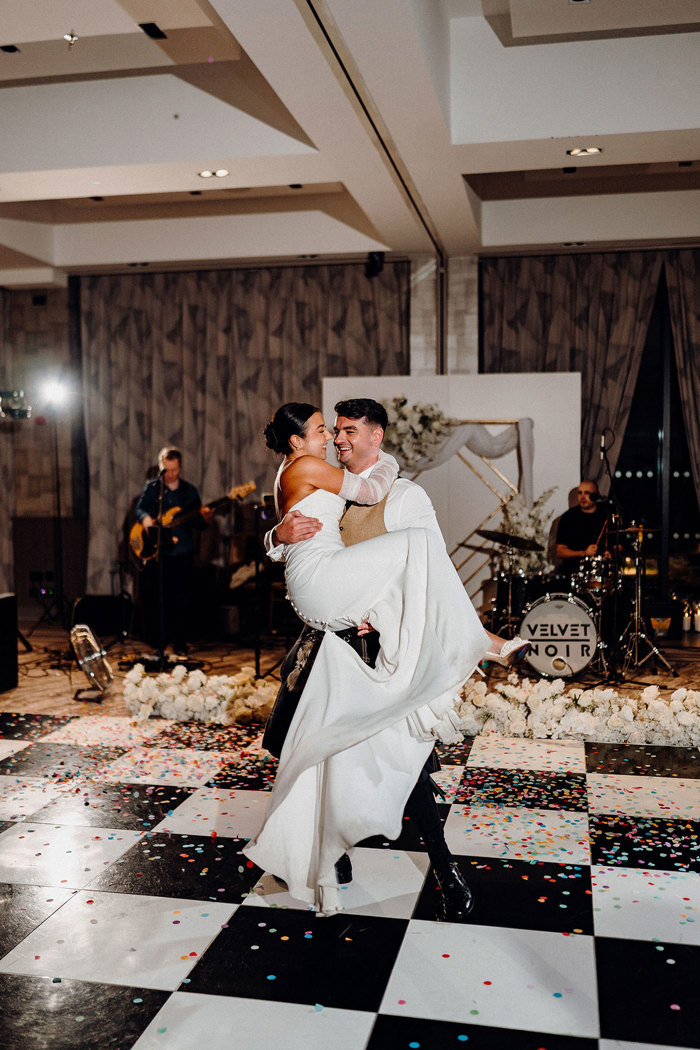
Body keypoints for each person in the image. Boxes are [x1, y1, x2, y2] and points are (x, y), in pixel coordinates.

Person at [245, 400, 527, 916]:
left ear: (376, 436)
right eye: (332, 431)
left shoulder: (406, 496)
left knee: (406, 766)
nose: (337, 439)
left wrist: (389, 608)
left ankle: (445, 873)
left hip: (379, 646)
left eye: (348, 432)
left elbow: (429, 570)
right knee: (319, 752)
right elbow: (296, 537)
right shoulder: (327, 480)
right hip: (328, 637)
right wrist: (274, 536)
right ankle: (334, 855)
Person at [134, 446, 212, 653]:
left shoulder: (190, 492)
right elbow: (139, 508)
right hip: (159, 553)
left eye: (174, 470)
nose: (170, 475)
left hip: (182, 551)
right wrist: (147, 519)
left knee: (182, 598)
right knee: (158, 598)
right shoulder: (152, 488)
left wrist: (205, 519)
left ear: (180, 467)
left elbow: (199, 525)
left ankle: (180, 641)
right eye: (166, 470)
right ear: (161, 468)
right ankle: (159, 640)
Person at [555, 480, 612, 567]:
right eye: (580, 493)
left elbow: (618, 546)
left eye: (587, 493)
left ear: (596, 495)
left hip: (601, 569)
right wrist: (584, 553)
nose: (582, 497)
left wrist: (611, 553)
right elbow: (560, 552)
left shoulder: (606, 514)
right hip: (575, 570)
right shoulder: (568, 517)